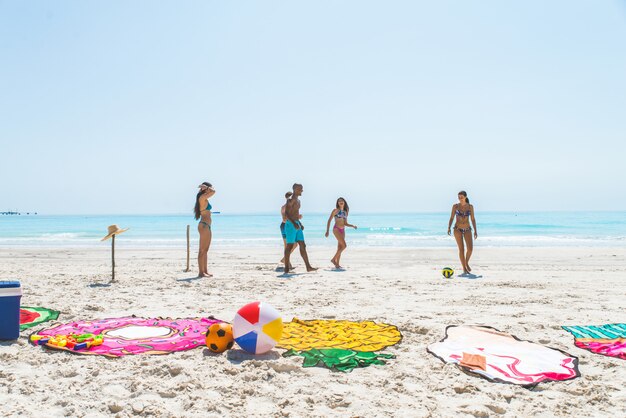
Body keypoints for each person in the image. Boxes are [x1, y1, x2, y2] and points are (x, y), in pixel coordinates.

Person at [283, 183, 317, 274]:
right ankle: (286, 268)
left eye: (302, 189)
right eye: (300, 189)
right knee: (289, 246)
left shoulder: (298, 201)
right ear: (294, 189)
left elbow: (295, 213)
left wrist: (299, 223)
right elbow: (286, 214)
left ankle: (308, 267)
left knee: (303, 245)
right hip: (290, 225)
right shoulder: (290, 200)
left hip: (296, 224)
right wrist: (294, 223)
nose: (302, 190)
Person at [447, 190, 477, 274]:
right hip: (457, 229)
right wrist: (449, 227)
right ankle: (464, 268)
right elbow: (452, 217)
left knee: (470, 249)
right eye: (459, 197)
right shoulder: (455, 206)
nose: (460, 199)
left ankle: (466, 263)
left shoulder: (470, 207)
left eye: (461, 197)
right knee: (461, 249)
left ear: (465, 197)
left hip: (467, 229)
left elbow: (473, 219)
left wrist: (475, 230)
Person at [325, 197, 357, 269]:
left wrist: (352, 226)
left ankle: (337, 264)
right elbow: (329, 220)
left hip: (343, 230)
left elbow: (345, 223)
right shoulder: (335, 211)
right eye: (339, 201)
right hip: (336, 229)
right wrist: (327, 231)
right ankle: (333, 260)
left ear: (344, 202)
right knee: (344, 246)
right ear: (338, 203)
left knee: (340, 247)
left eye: (342, 201)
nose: (341, 202)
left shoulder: (345, 212)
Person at [194, 182, 215, 278]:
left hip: (207, 226)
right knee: (202, 250)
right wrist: (206, 187)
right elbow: (213, 191)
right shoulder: (202, 198)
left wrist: (206, 188)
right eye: (208, 188)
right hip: (204, 226)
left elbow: (212, 191)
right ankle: (200, 272)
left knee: (205, 250)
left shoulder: (203, 198)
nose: (209, 189)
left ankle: (205, 271)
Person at [279, 192, 298, 270]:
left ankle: (286, 262)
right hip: (286, 226)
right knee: (293, 245)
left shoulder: (286, 206)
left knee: (290, 245)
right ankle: (285, 261)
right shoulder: (286, 207)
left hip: (286, 226)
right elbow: (284, 218)